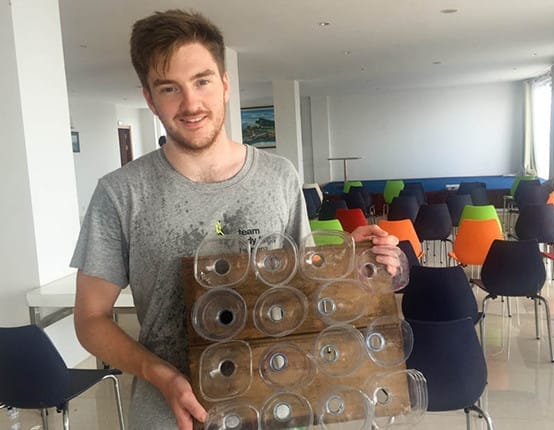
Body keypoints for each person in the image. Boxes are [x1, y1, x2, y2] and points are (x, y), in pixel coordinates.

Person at [70, 9, 401, 430]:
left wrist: (354, 261)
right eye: (169, 88)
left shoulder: (280, 176)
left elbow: (302, 288)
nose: (191, 103)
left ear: (225, 84)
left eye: (202, 81)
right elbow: (90, 319)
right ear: (150, 99)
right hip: (167, 417)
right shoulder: (120, 193)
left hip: (278, 406)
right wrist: (161, 375)